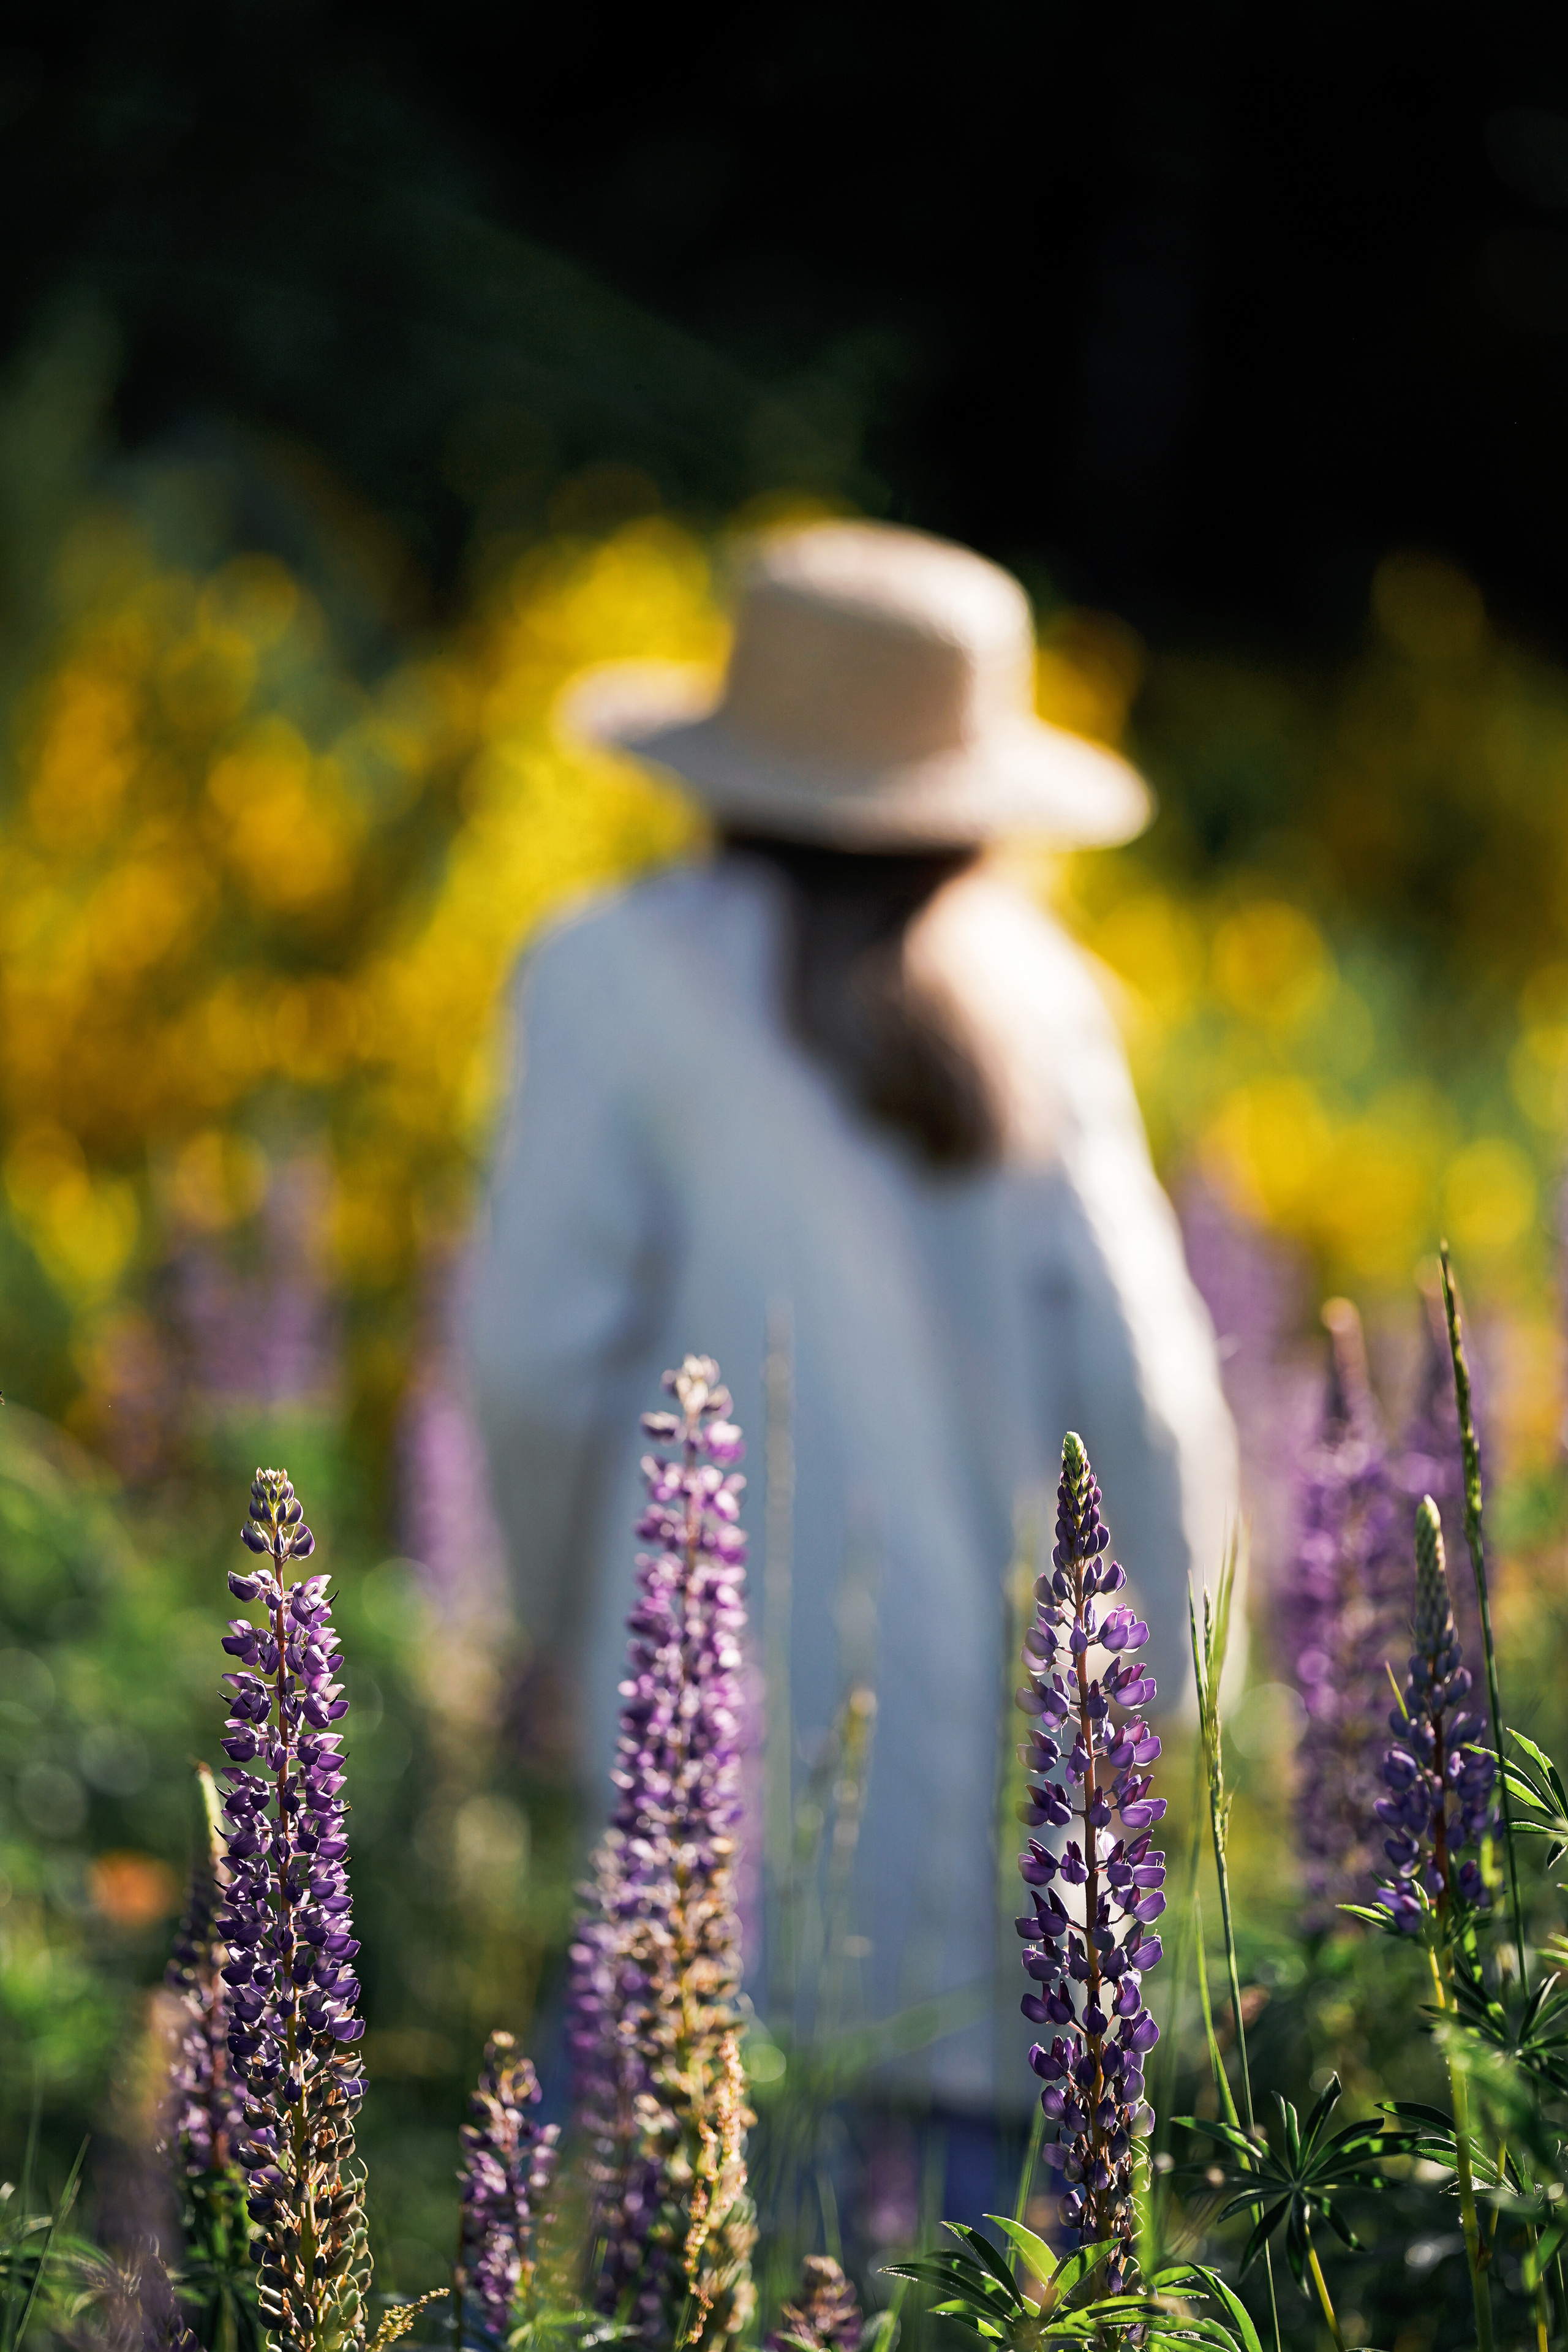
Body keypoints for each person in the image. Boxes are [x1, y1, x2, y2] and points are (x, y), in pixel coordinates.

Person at [466, 520, 1237, 2162]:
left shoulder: (610, 971)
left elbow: (532, 1362)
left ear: (730, 762)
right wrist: (1167, 1722)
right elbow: (1156, 1405)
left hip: (698, 1799)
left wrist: (553, 1630)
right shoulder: (1048, 996)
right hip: (1001, 1845)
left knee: (652, 2250)